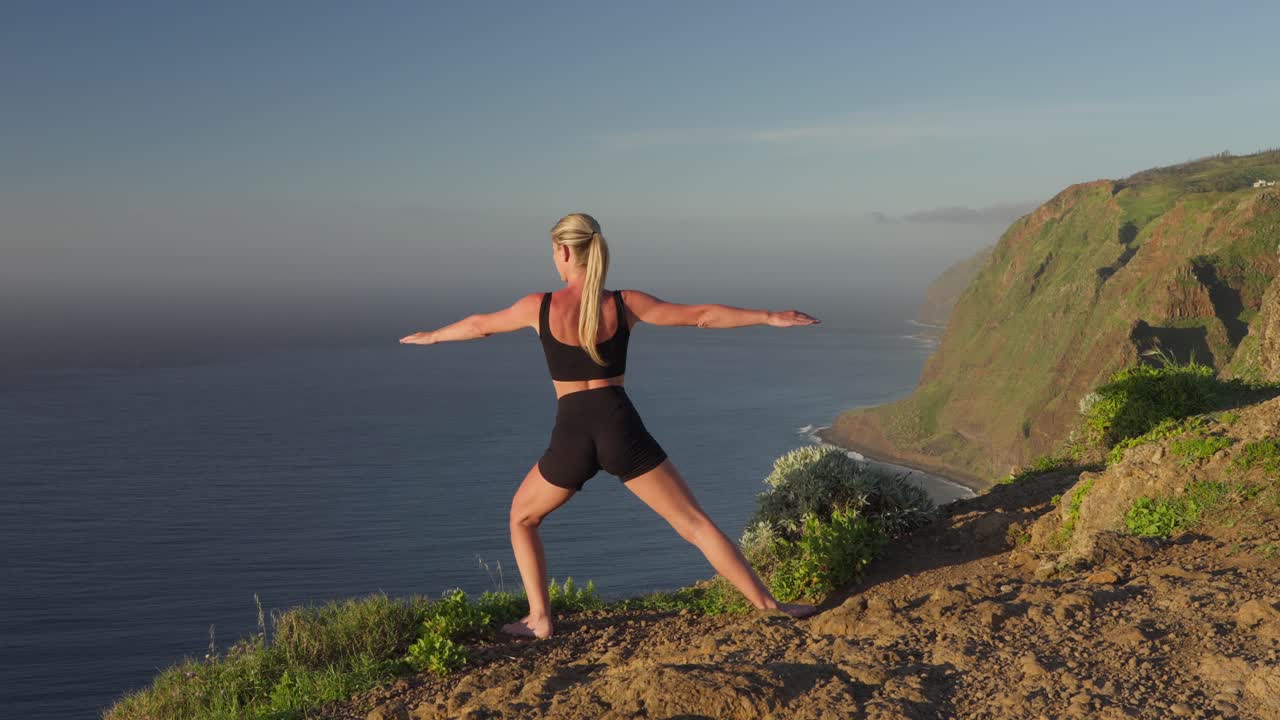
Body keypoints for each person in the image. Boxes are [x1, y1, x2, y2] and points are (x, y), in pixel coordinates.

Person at [399, 212, 821, 638]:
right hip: (620, 426)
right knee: (693, 523)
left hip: (573, 433)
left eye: (553, 252)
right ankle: (769, 606)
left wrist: (432, 336)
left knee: (522, 519)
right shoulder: (624, 303)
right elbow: (702, 315)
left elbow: (478, 326)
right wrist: (768, 315)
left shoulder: (538, 306)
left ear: (564, 252)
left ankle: (540, 619)